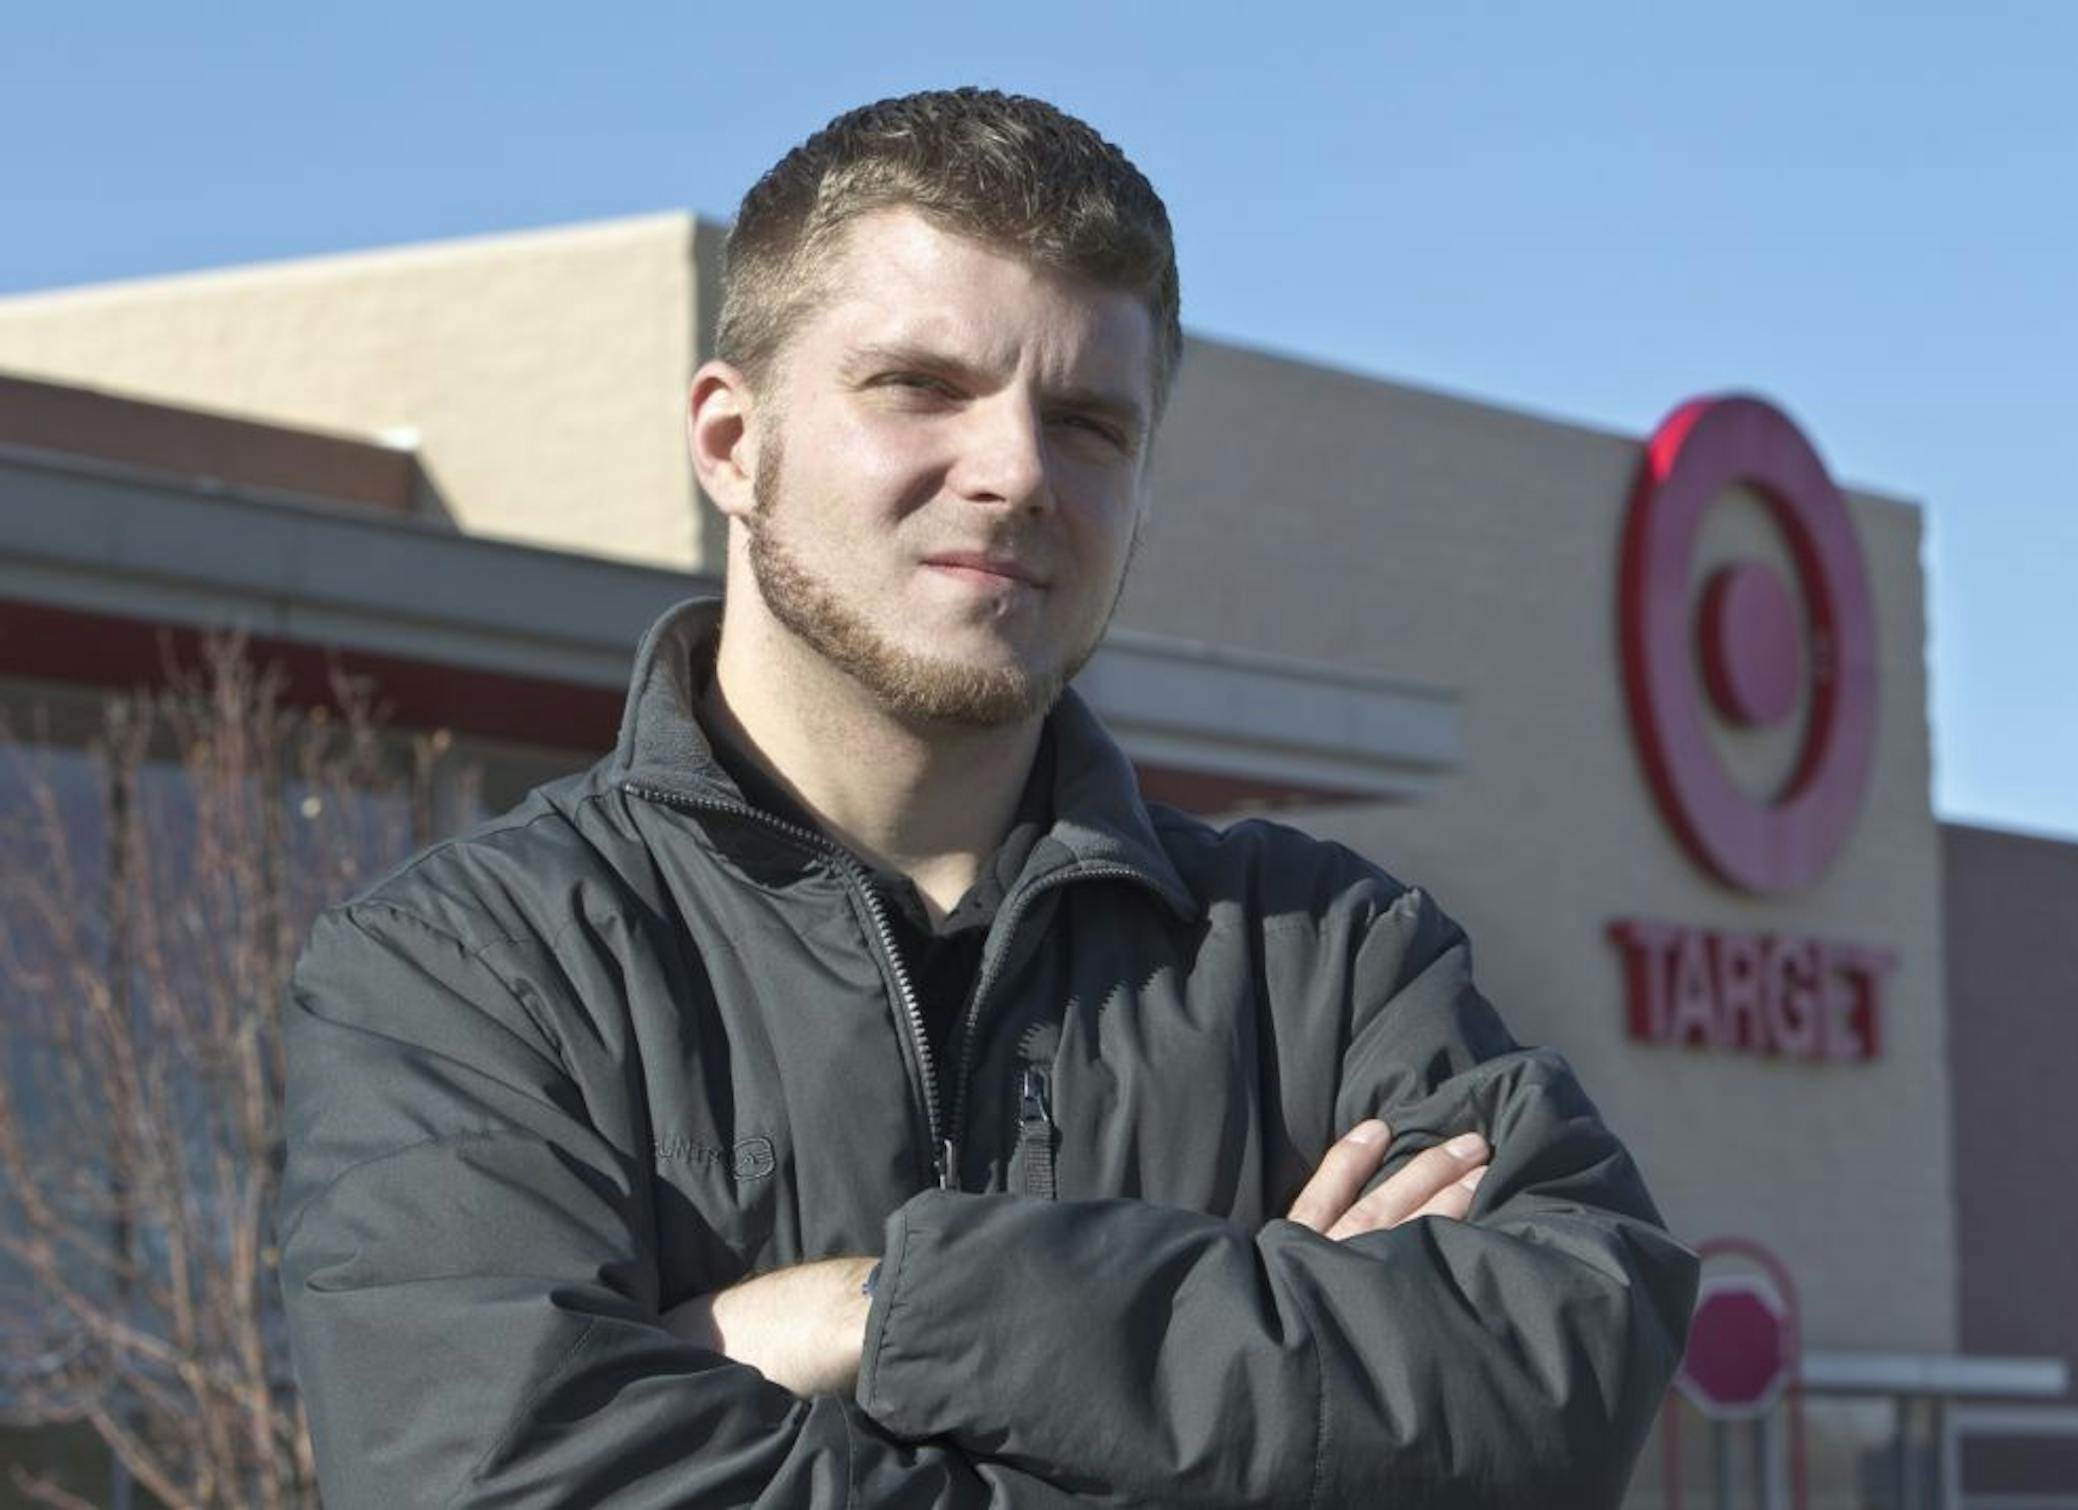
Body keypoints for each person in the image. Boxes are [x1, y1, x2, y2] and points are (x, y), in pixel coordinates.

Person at [277, 88, 1698, 1506]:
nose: (1018, 471)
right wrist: (1266, 1381)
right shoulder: (470, 974)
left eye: (1089, 421)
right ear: (731, 441)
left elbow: (1562, 1371)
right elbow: (501, 1479)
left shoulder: (1320, 958)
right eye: (920, 386)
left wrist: (879, 1306)